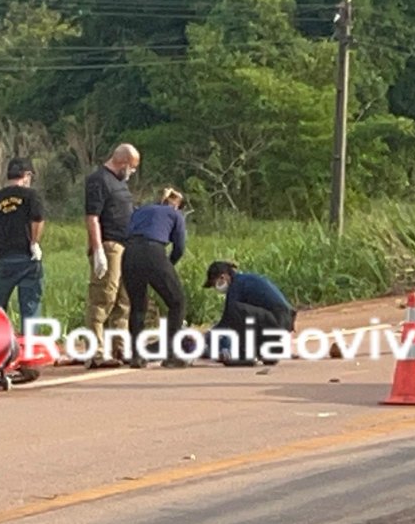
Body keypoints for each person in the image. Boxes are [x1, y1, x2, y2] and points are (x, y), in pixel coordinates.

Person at [83, 143, 140, 368]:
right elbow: (92, 217)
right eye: (132, 167)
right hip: (109, 245)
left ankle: (119, 346)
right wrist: (98, 250)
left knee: (124, 300)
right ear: (123, 162)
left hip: (127, 245)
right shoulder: (99, 180)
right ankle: (96, 352)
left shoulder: (119, 183)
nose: (132, 172)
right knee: (103, 297)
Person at [0, 157, 45, 337]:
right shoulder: (31, 196)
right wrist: (34, 243)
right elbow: (37, 219)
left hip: (2, 259)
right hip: (27, 258)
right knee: (30, 304)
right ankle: (29, 346)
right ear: (27, 175)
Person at [121, 187, 189, 369]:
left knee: (137, 306)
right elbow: (180, 247)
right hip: (154, 252)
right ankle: (172, 354)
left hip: (129, 253)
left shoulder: (141, 210)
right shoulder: (175, 215)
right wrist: (168, 265)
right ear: (177, 205)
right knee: (177, 302)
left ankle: (136, 355)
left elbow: (128, 231)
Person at [202, 261, 296, 366]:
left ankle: (245, 354)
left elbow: (228, 319)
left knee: (235, 310)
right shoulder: (246, 280)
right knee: (243, 315)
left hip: (276, 322)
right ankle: (269, 351)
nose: (216, 288)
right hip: (283, 322)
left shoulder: (236, 285)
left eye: (215, 283)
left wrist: (207, 336)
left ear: (223, 277)